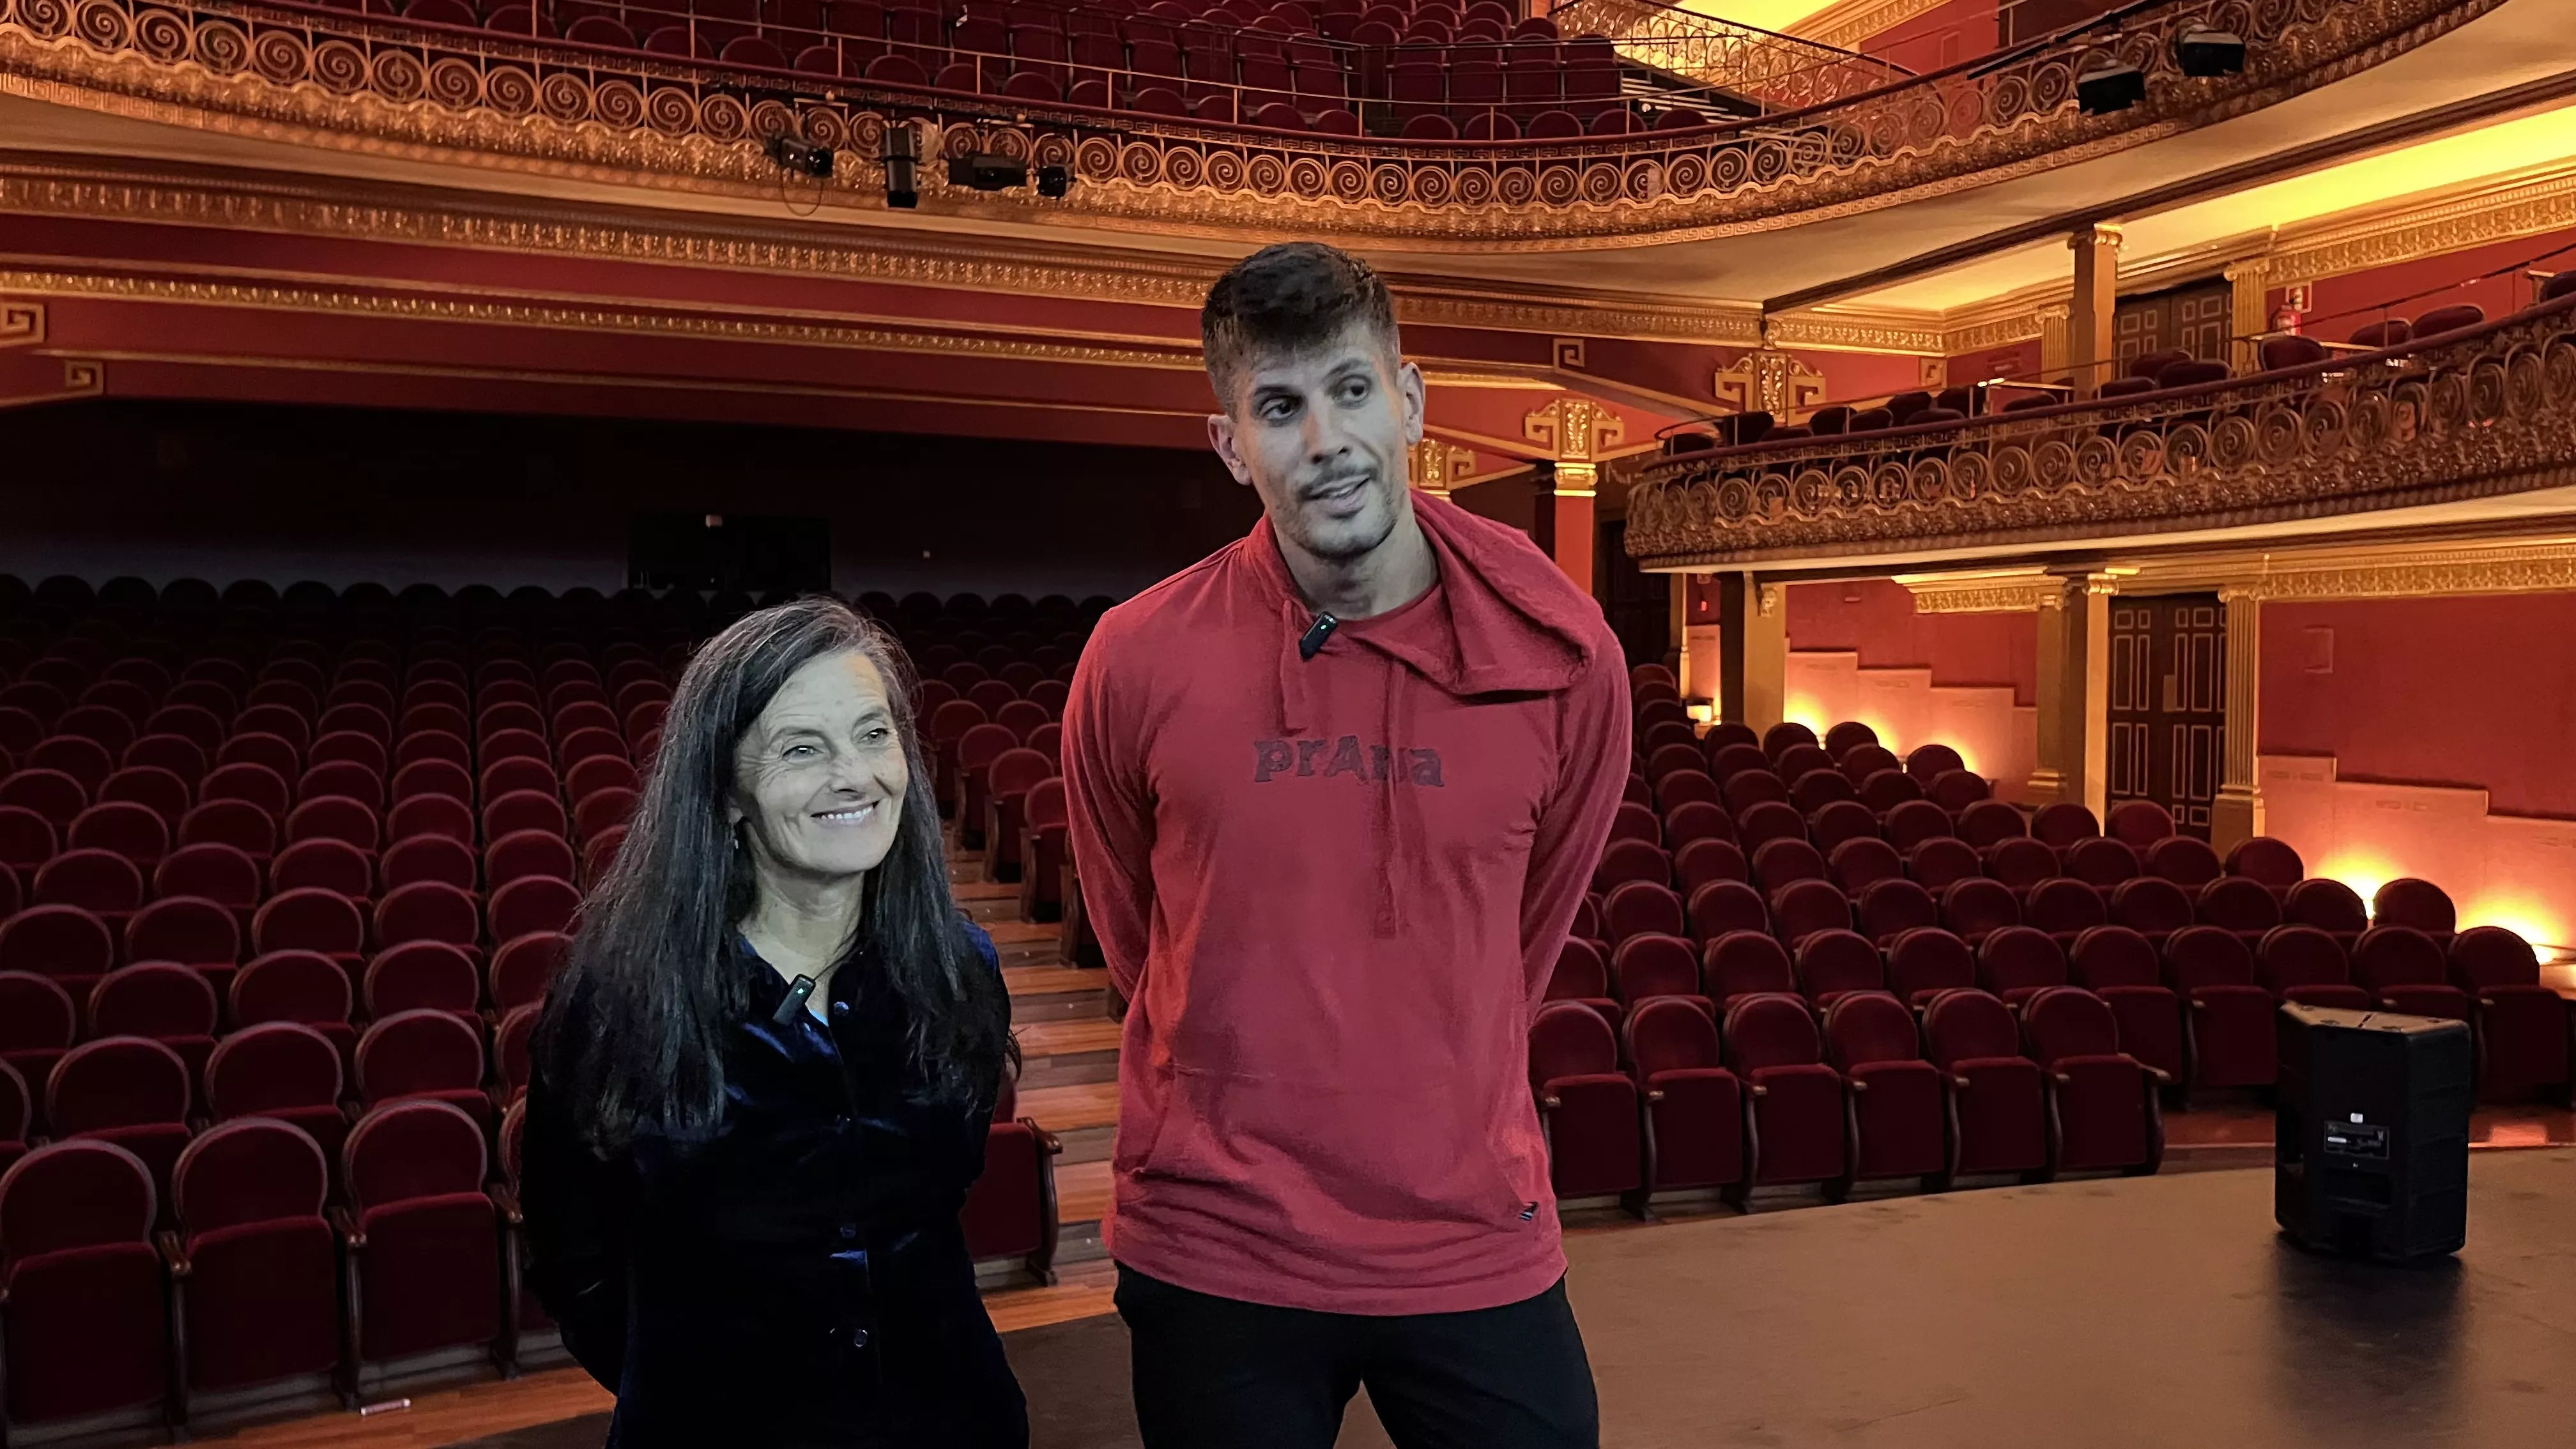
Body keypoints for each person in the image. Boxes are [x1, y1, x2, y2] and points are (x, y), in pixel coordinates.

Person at [1063, 241, 1629, 1448]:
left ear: (1412, 400)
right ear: (1232, 448)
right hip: (1219, 1241)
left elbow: (1533, 924)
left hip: (1472, 1228)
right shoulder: (1133, 656)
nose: (1326, 440)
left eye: (1351, 390)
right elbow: (1135, 930)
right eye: (1279, 408)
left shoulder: (1566, 656)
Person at [521, 598, 1027, 1449]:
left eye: (873, 735)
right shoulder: (617, 999)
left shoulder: (957, 969)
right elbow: (577, 1262)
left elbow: (944, 1201)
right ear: (726, 793)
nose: (855, 775)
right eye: (803, 748)